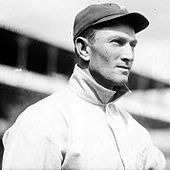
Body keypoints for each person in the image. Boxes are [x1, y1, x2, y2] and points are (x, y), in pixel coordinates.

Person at [2, 3, 166, 170]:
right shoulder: (43, 121)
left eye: (132, 45)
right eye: (117, 42)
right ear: (83, 49)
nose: (129, 56)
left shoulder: (136, 132)